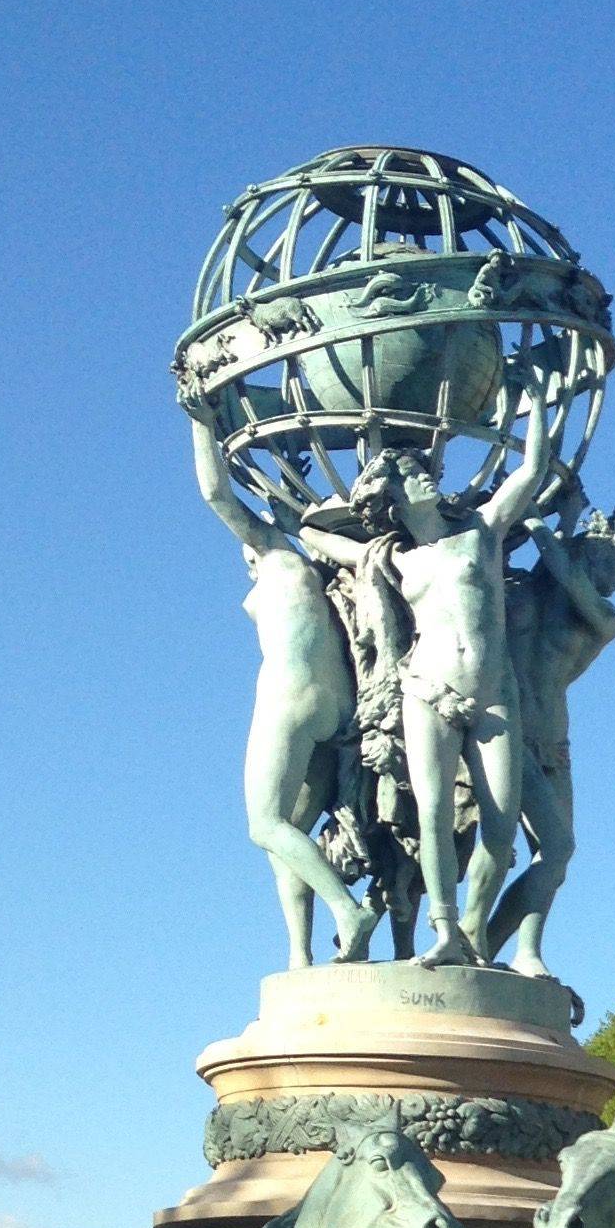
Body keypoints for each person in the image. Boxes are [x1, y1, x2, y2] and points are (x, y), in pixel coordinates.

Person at [298, 380, 554, 966]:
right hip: (426, 690)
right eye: (414, 475)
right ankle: (444, 929)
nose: (428, 477)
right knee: (434, 816)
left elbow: (532, 470)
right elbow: (322, 540)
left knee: (498, 831)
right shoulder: (395, 558)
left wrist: (535, 405)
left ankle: (472, 928)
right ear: (394, 495)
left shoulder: (481, 534)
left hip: (493, 698)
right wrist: (304, 525)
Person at [190, 419, 375, 967]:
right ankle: (300, 958)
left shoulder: (278, 559)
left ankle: (348, 910)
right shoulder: (310, 578)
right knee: (288, 834)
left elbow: (214, 492)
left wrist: (199, 419)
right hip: (335, 703)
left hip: (289, 698)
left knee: (263, 824)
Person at [490, 497, 615, 978]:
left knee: (557, 850)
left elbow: (566, 574)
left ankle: (516, 948)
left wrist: (532, 515)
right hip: (495, 728)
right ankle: (471, 938)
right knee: (493, 844)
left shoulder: (604, 617)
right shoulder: (525, 590)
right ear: (588, 554)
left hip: (551, 741)